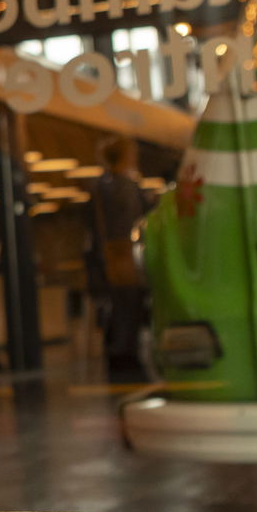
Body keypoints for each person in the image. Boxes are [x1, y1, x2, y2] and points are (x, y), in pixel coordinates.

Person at [89, 137, 150, 380]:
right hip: (124, 255)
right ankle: (126, 354)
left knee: (120, 305)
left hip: (111, 256)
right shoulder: (124, 186)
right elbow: (131, 222)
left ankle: (119, 352)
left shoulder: (102, 185)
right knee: (129, 305)